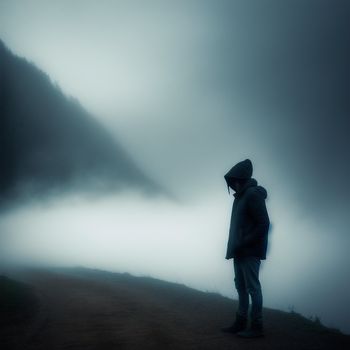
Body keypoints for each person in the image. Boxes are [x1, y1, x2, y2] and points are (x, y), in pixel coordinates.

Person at [221, 158, 270, 338]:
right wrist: (235, 246)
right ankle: (240, 322)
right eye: (231, 180)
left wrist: (244, 242)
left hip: (250, 251)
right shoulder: (241, 197)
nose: (232, 184)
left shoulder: (252, 195)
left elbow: (264, 224)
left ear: (240, 179)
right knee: (241, 287)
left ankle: (257, 327)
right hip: (240, 251)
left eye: (234, 180)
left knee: (252, 288)